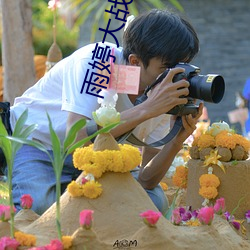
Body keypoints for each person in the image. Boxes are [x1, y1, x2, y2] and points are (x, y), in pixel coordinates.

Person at [6, 9, 202, 215]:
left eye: (182, 66)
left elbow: (146, 180)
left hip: (96, 157)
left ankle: (70, 199)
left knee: (152, 202)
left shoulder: (164, 89)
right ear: (135, 62)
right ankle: (65, 197)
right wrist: (147, 108)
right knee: (39, 208)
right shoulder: (98, 62)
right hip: (37, 144)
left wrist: (176, 140)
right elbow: (76, 139)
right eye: (167, 68)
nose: (175, 76)